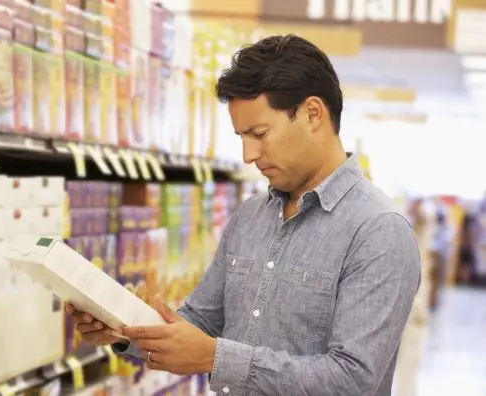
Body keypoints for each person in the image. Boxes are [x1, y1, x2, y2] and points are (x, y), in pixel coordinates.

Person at [67, 34, 421, 395]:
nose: (248, 155)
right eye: (241, 136)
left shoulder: (378, 232)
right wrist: (124, 327)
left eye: (259, 133)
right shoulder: (252, 216)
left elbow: (352, 380)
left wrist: (217, 358)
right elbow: (200, 324)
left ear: (313, 113)